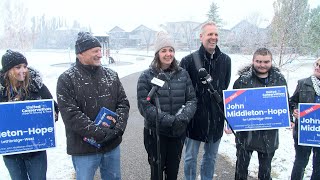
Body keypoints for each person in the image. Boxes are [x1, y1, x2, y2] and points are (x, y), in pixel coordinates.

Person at [56, 32, 130, 180]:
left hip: (112, 145)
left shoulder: (111, 75)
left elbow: (123, 103)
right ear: (80, 53)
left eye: (100, 50)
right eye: (95, 51)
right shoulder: (66, 79)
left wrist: (117, 130)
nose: (100, 54)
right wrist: (100, 133)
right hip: (84, 149)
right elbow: (71, 115)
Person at [137, 31, 197, 180]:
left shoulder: (183, 74)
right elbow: (144, 105)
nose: (168, 54)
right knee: (156, 172)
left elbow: (192, 100)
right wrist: (168, 120)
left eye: (171, 50)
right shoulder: (146, 76)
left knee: (172, 171)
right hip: (155, 133)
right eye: (164, 50)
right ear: (157, 53)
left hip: (177, 133)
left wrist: (182, 118)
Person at [179, 21, 231, 180]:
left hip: (216, 118)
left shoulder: (226, 60)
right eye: (210, 34)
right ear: (201, 36)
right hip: (194, 119)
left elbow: (225, 86)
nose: (213, 37)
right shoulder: (188, 61)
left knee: (210, 158)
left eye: (216, 34)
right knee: (190, 158)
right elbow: (182, 89)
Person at [0, 49, 59, 180]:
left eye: (25, 66)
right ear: (8, 70)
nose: (23, 70)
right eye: (18, 67)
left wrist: (50, 115)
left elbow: (53, 107)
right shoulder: (1, 90)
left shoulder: (36, 86)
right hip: (11, 151)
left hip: (35, 149)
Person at [230, 48, 287, 180]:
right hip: (246, 135)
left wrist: (289, 114)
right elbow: (234, 105)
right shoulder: (242, 81)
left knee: (265, 173)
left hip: (269, 135)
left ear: (271, 61)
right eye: (259, 61)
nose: (262, 65)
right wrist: (231, 122)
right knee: (241, 171)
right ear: (253, 61)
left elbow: (284, 103)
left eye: (266, 61)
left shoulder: (279, 80)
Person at [289, 57, 320, 180]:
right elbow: (292, 101)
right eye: (316, 64)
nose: (317, 67)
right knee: (300, 162)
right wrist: (294, 110)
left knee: (318, 165)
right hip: (304, 132)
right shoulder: (303, 83)